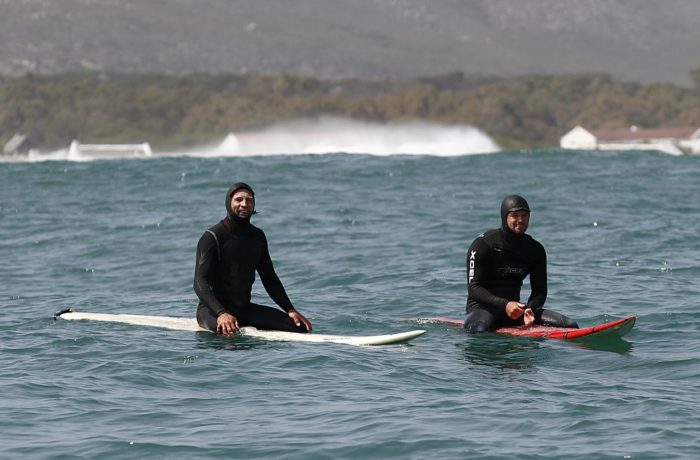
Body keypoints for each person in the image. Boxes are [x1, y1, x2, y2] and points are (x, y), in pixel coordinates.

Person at [194, 182, 312, 336]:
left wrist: (290, 309)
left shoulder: (257, 237)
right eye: (239, 200)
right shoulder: (213, 237)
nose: (244, 204)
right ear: (228, 203)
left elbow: (269, 277)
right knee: (225, 332)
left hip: (244, 309)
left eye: (249, 200)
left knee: (299, 328)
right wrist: (221, 313)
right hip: (211, 311)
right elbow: (200, 282)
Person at [464, 195, 578, 333]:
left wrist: (531, 308)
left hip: (515, 312)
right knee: (480, 330)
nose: (520, 220)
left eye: (524, 215)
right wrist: (505, 304)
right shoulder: (483, 244)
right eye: (515, 215)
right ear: (504, 217)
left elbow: (540, 290)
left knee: (569, 325)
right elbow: (474, 288)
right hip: (482, 310)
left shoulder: (535, 249)